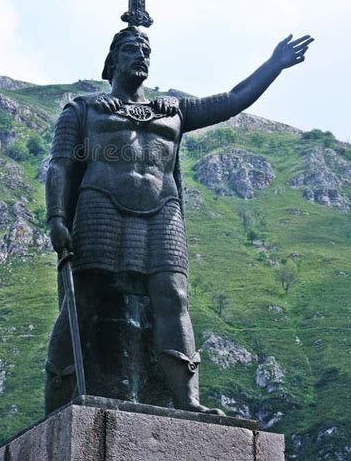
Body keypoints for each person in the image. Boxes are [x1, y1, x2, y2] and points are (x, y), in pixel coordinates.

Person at [45, 26, 313, 415]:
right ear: (113, 59)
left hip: (161, 211)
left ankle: (188, 400)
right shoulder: (83, 109)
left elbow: (232, 100)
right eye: (133, 49)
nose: (142, 56)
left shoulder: (173, 110)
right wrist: (56, 217)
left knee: (173, 297)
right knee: (83, 300)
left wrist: (274, 65)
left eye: (147, 51)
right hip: (100, 206)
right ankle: (57, 401)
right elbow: (61, 165)